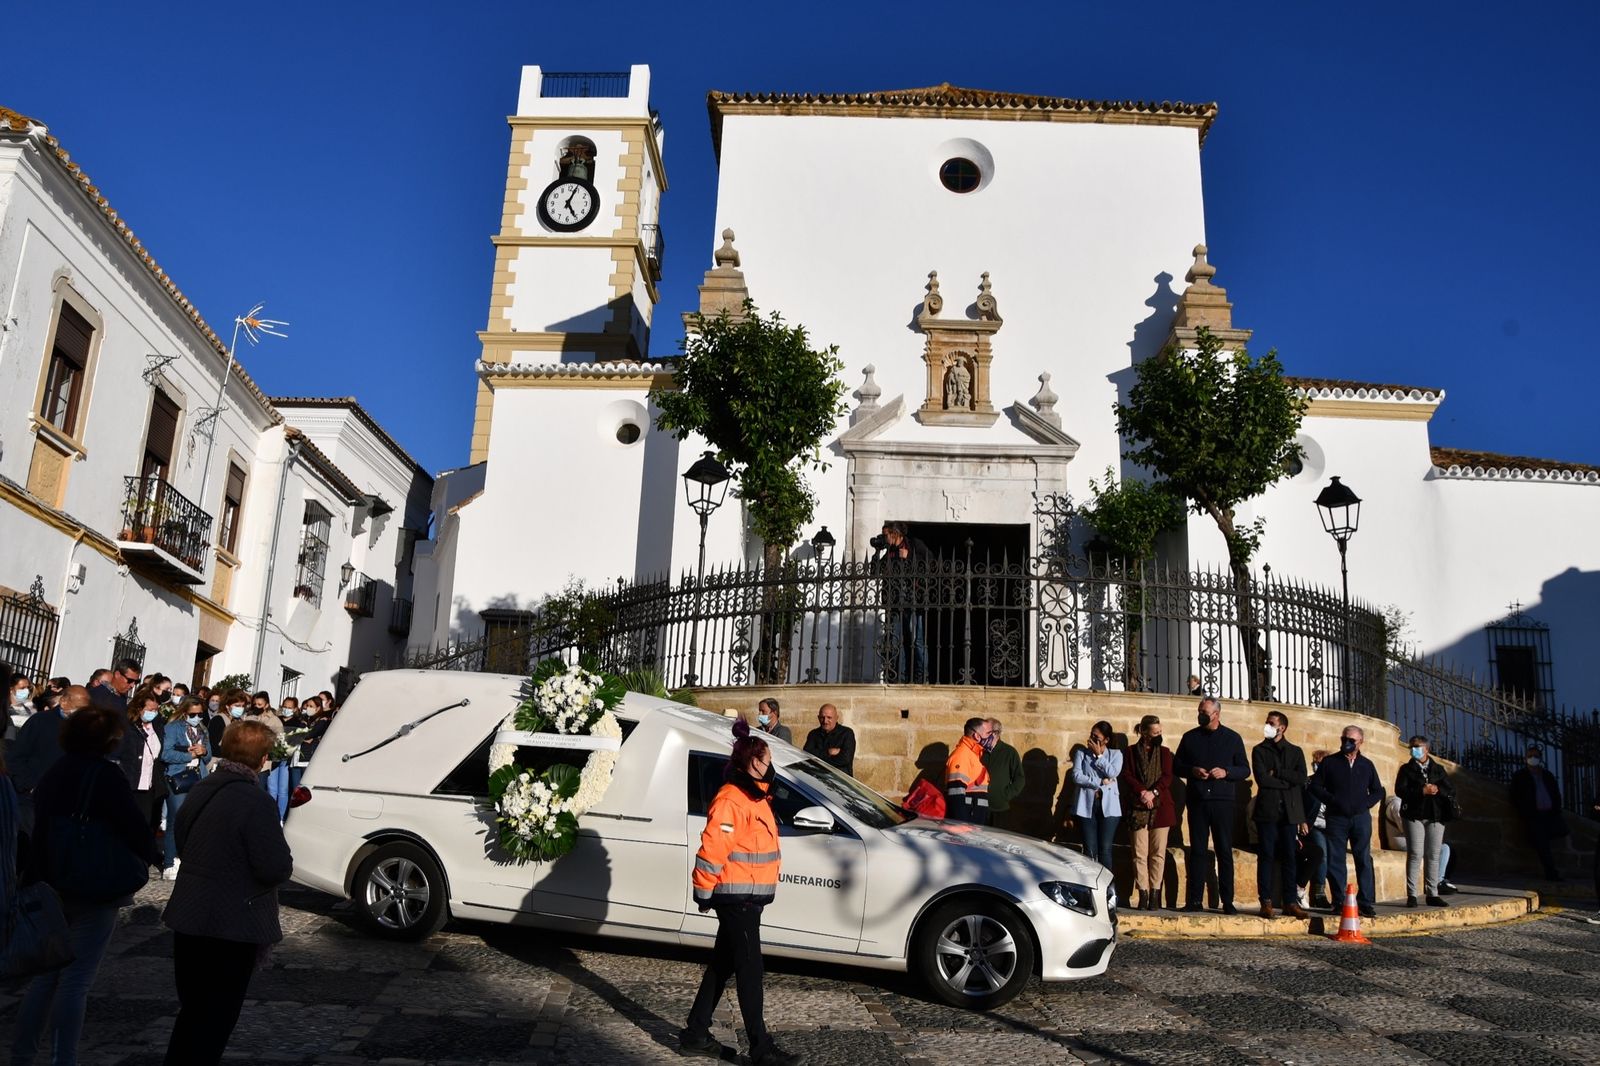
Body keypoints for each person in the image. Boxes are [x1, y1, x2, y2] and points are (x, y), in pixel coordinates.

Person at [11, 705, 161, 1066]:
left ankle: (23, 1055)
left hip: (51, 878)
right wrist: (151, 856)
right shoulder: (107, 776)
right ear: (109, 741)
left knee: (46, 978)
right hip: (95, 883)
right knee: (76, 980)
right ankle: (64, 1058)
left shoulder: (56, 771)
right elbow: (133, 826)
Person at [162, 719, 294, 1066]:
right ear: (262, 759)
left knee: (193, 1012)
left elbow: (182, 837)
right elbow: (275, 866)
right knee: (216, 1018)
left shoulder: (203, 788)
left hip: (190, 914)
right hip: (232, 922)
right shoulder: (256, 801)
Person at [679, 722, 798, 1066]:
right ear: (753, 762)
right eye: (768, 760)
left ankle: (696, 1033)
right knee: (750, 970)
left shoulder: (755, 796)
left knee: (723, 963)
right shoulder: (732, 798)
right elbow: (713, 848)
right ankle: (761, 1049)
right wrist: (703, 891)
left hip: (748, 897)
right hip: (736, 898)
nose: (771, 765)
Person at [1173, 697, 1249, 913]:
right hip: (1197, 800)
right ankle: (1195, 900)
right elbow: (1177, 766)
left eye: (1204, 712)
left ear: (1216, 714)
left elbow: (1244, 769)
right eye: (1199, 711)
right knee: (1197, 850)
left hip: (1222, 802)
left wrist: (1226, 772)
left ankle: (1227, 901)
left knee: (1223, 850)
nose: (1200, 715)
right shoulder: (1189, 737)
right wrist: (1192, 771)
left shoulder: (1232, 738)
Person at [1308, 725, 1384, 918]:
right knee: (1336, 859)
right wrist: (1332, 800)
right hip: (1336, 818)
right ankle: (1339, 901)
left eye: (1351, 740)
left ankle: (1365, 902)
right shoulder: (1330, 762)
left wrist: (1365, 804)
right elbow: (1315, 786)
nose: (1346, 743)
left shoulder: (1366, 765)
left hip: (1360, 818)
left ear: (1360, 742)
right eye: (1344, 739)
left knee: (1363, 858)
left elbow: (1378, 790)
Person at [1251, 710, 1310, 919]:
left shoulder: (1294, 751)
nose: (1267, 725)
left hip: (1289, 812)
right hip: (1267, 811)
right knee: (1266, 855)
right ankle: (1265, 901)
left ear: (1282, 728)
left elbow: (1301, 778)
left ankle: (1290, 901)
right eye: (1266, 722)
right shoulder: (1259, 750)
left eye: (1271, 723)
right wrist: (1286, 782)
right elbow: (1262, 779)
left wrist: (1278, 773)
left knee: (1290, 856)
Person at [11, 684, 89, 837]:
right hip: (33, 800)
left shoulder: (85, 730)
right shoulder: (40, 722)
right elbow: (16, 756)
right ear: (64, 702)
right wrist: (28, 785)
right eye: (79, 708)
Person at [1392, 735, 1456, 908]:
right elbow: (1400, 790)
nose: (1414, 750)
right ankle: (1412, 894)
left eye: (1418, 747)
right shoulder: (1406, 769)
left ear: (1426, 749)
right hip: (1414, 815)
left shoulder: (1438, 769)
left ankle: (1432, 893)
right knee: (1415, 853)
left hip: (1435, 816)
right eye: (1412, 747)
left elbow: (1450, 790)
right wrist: (1421, 791)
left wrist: (1437, 789)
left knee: (1434, 854)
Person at [1120, 714, 1175, 910]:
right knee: (1139, 852)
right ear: (1144, 733)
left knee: (1158, 853)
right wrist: (1142, 792)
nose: (1158, 735)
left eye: (1160, 732)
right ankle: (1142, 892)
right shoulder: (1130, 752)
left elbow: (1167, 777)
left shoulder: (1165, 753)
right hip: (1138, 806)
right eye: (1154, 733)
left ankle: (1155, 893)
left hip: (1161, 808)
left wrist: (1153, 792)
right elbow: (1127, 774)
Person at [160, 696, 212, 881]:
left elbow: (209, 756)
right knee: (176, 819)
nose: (197, 718)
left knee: (195, 820)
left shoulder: (202, 729)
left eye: (200, 714)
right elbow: (165, 753)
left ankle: (185, 857)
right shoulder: (173, 728)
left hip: (199, 776)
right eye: (192, 714)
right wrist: (189, 756)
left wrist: (204, 752)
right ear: (184, 712)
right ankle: (169, 862)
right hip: (178, 776)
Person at [116, 687, 170, 866]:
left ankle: (138, 860)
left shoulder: (157, 726)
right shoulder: (128, 727)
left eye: (155, 709)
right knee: (127, 823)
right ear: (139, 708)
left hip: (149, 784)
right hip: (131, 782)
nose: (153, 713)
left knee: (145, 824)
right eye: (149, 709)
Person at [877, 521, 930, 683]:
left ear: (895, 534)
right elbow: (874, 571)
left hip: (914, 600)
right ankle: (901, 677)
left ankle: (921, 677)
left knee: (917, 641)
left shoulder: (914, 545)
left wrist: (910, 557)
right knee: (897, 641)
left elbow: (932, 563)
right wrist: (877, 552)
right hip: (895, 602)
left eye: (886, 535)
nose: (884, 538)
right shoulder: (890, 552)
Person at [1071, 721, 1122, 871]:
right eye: (1091, 735)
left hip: (1109, 806)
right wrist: (1099, 781)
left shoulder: (1115, 754)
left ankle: (1106, 883)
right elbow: (1076, 776)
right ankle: (1090, 882)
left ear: (1106, 740)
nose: (1092, 739)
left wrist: (1099, 755)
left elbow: (1112, 772)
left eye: (1096, 737)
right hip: (1087, 804)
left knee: (1105, 849)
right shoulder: (1081, 753)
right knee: (1089, 849)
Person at [1509, 745, 1566, 880]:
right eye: (1530, 756)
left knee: (1547, 843)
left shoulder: (1547, 775)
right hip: (1533, 816)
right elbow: (1514, 795)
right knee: (1542, 844)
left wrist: (1556, 809)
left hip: (1549, 814)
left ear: (1540, 758)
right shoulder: (1520, 776)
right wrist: (1525, 811)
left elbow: (1555, 793)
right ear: (1525, 759)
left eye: (1535, 756)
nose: (1533, 758)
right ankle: (1551, 872)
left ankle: (1551, 871)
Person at [1298, 750, 1333, 910]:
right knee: (1322, 854)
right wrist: (1302, 821)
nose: (1317, 766)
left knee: (1334, 857)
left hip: (1332, 826)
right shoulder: (1308, 783)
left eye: (1320, 763)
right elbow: (1299, 803)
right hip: (1314, 826)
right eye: (1315, 763)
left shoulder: (1335, 784)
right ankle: (1319, 894)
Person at [944, 717, 993, 824]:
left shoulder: (974, 755)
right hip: (967, 820)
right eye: (988, 733)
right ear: (977, 736)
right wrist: (961, 824)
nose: (991, 737)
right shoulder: (962, 755)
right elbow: (956, 791)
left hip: (974, 818)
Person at [982, 717, 1025, 830]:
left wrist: (1005, 795)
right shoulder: (979, 751)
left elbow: (1020, 779)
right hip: (980, 808)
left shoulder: (1009, 752)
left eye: (984, 731)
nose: (980, 735)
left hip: (1000, 810)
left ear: (995, 733)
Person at [803, 704, 855, 775]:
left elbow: (845, 759)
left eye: (829, 717)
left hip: (839, 779)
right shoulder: (813, 734)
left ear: (836, 718)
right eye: (822, 717)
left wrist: (818, 759)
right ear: (818, 718)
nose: (825, 721)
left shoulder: (847, 733)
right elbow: (807, 755)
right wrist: (828, 752)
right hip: (817, 778)